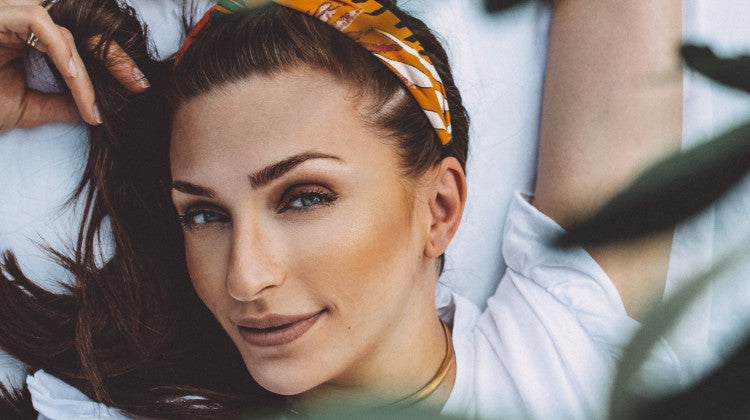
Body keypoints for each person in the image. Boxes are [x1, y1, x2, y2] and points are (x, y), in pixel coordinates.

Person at [1, 0, 685, 418]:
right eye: (205, 215)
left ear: (439, 208)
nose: (245, 279)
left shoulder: (565, 359)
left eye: (304, 197)